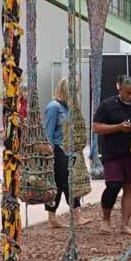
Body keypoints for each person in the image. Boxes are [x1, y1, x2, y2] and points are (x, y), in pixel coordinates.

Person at [91, 75, 131, 235]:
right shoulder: (108, 105)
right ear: (120, 89)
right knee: (113, 185)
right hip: (112, 154)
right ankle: (106, 219)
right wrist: (118, 127)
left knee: (130, 187)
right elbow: (96, 127)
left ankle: (124, 224)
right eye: (128, 92)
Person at [43, 80, 88, 226]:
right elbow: (48, 132)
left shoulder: (69, 108)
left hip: (70, 151)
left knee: (58, 184)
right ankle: (77, 215)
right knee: (68, 183)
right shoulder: (54, 107)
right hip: (59, 150)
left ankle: (52, 217)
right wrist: (49, 153)